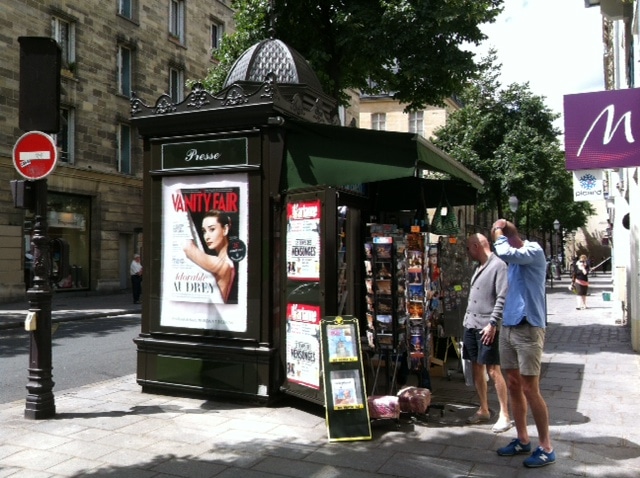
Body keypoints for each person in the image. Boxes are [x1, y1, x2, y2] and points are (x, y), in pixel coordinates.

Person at [491, 219, 556, 468]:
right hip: (509, 325)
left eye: (506, 237)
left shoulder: (533, 250)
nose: (503, 242)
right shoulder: (515, 259)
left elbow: (504, 250)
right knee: (514, 384)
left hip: (529, 326)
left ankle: (546, 447)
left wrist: (498, 232)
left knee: (531, 389)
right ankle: (522, 439)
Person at [463, 233, 513, 433]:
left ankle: (505, 414)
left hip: (487, 325)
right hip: (472, 323)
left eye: (468, 248)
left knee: (493, 370)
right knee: (476, 366)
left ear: (476, 246)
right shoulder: (479, 266)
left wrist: (493, 323)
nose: (467, 253)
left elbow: (502, 296)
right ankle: (483, 408)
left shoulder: (498, 265)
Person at [183, 210, 235, 303]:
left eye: (212, 229)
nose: (207, 236)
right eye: (204, 231)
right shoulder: (222, 260)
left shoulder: (223, 264)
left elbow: (187, 247)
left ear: (225, 229)